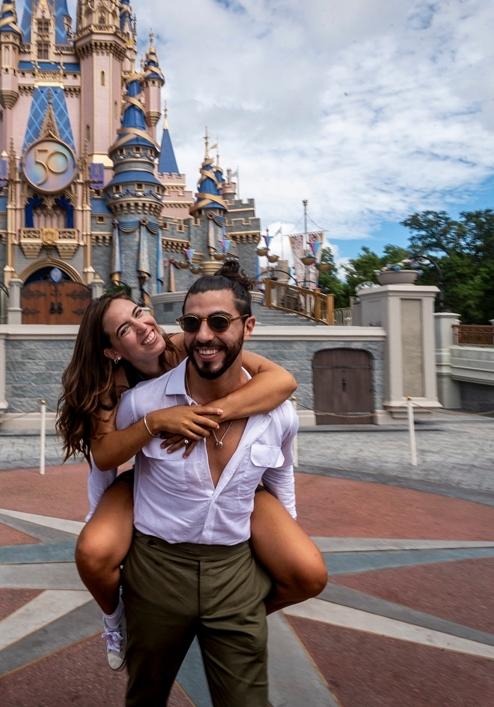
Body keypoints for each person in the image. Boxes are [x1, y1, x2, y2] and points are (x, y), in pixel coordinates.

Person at [59, 264, 327, 673]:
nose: (142, 326)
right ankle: (116, 621)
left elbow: (282, 381)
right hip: (150, 477)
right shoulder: (111, 388)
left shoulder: (190, 345)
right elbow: (104, 460)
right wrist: (158, 422)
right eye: (124, 330)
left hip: (227, 475)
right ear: (113, 351)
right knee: (94, 551)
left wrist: (206, 416)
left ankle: (232, 616)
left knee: (307, 572)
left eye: (139, 312)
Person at [110, 264, 301, 705]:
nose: (204, 336)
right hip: (156, 571)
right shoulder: (142, 403)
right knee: (144, 698)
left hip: (236, 574)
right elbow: (108, 464)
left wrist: (283, 539)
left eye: (219, 322)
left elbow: (280, 476)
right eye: (192, 323)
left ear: (248, 327)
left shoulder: (278, 413)